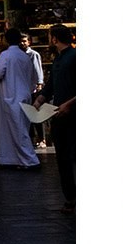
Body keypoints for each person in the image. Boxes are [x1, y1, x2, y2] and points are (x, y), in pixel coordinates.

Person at [0, 30, 45, 169]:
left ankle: (30, 159)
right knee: (21, 126)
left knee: (17, 127)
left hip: (11, 96)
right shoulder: (24, 56)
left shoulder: (6, 55)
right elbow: (32, 76)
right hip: (24, 94)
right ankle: (13, 158)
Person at [47, 24, 76, 212]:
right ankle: (71, 199)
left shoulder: (75, 58)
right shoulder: (59, 59)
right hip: (59, 115)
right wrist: (40, 99)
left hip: (73, 115)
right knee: (63, 158)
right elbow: (51, 85)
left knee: (72, 157)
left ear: (55, 39)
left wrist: (69, 104)